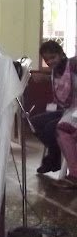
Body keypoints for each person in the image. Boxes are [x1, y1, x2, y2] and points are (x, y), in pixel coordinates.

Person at [30, 40, 72, 174]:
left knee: (50, 127)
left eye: (53, 57)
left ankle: (54, 158)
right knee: (34, 122)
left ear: (61, 53)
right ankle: (56, 154)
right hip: (67, 111)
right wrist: (46, 78)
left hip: (75, 113)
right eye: (46, 60)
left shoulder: (72, 67)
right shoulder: (55, 71)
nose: (50, 62)